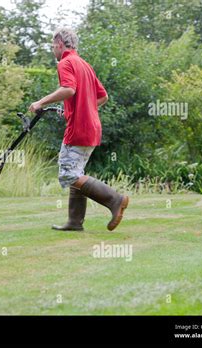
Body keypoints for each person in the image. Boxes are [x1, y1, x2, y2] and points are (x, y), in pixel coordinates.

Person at [29, 28, 129, 232]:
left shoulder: (65, 63)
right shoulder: (84, 64)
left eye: (52, 45)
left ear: (59, 43)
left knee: (68, 174)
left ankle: (115, 200)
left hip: (79, 129)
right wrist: (75, 109)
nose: (52, 50)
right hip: (91, 127)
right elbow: (102, 96)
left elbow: (68, 89)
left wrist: (40, 102)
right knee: (76, 173)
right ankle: (75, 222)